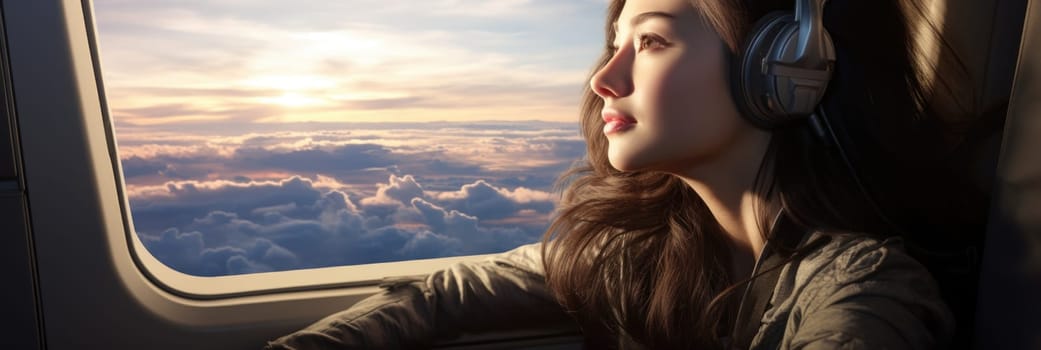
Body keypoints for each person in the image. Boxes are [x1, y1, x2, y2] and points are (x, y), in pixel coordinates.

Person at [267, 0, 983, 348]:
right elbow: (448, 296)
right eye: (615, 44)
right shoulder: (645, 245)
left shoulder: (863, 292)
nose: (605, 79)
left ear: (784, 70)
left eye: (649, 40)